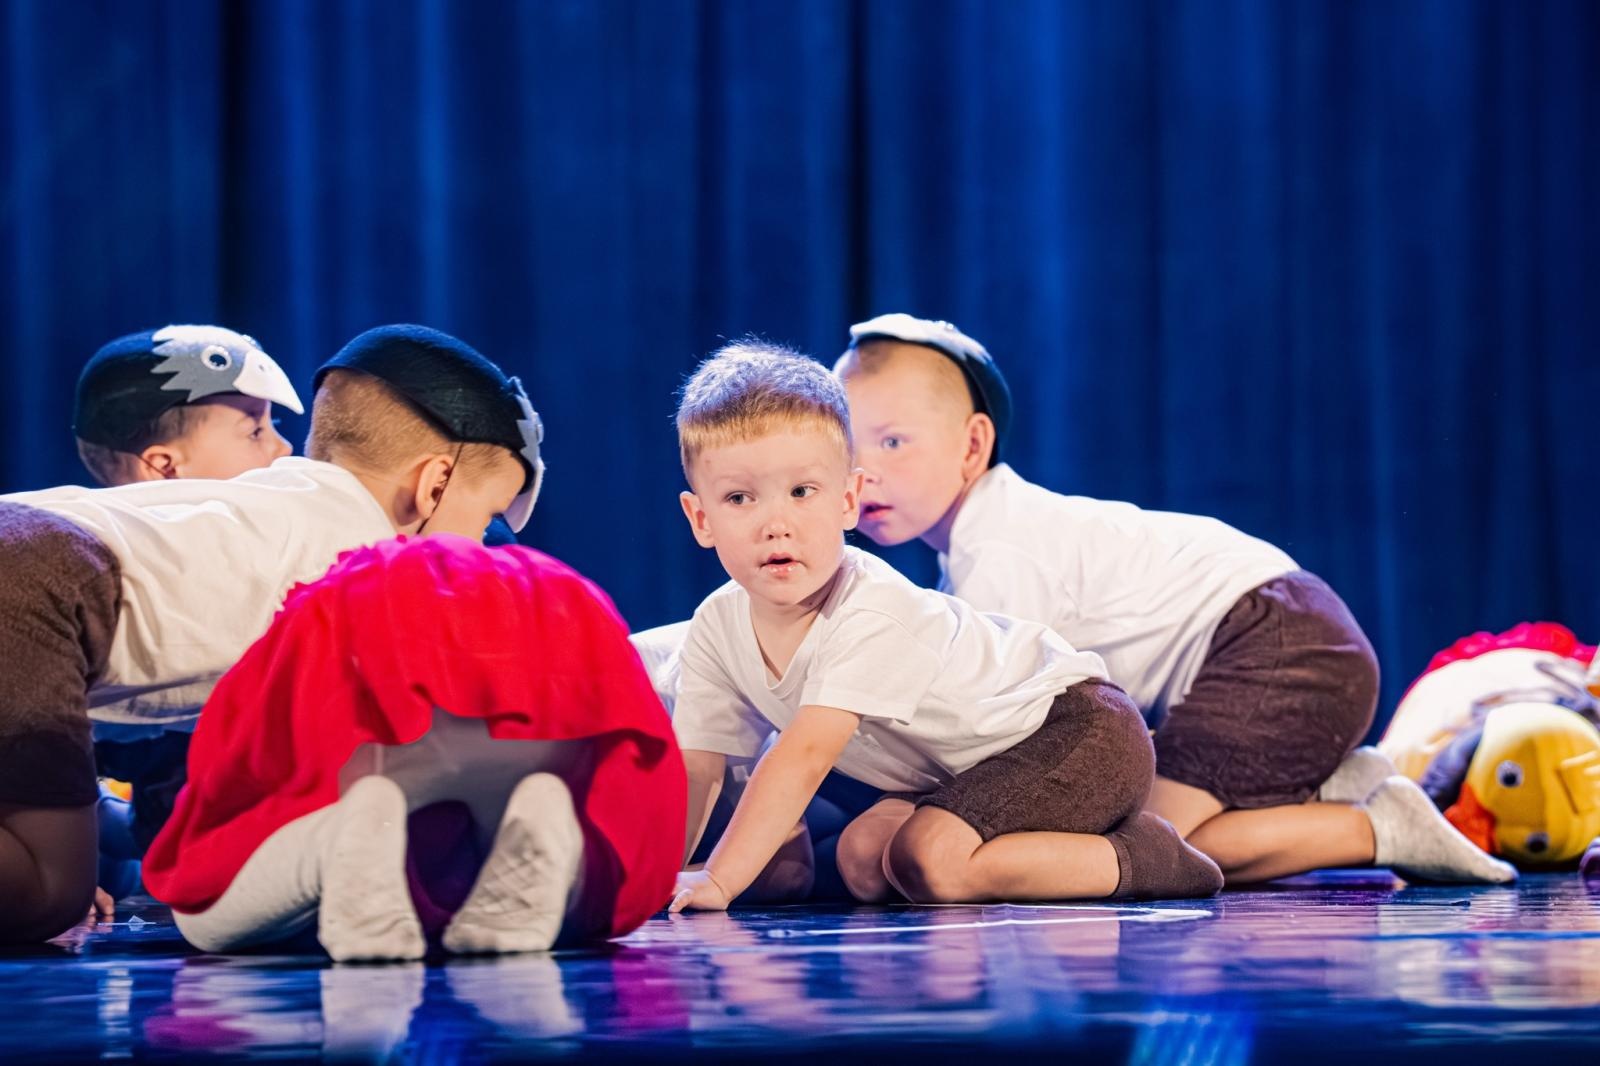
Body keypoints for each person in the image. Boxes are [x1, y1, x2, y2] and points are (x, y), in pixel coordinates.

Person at [834, 312, 1515, 886]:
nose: (867, 474)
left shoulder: (1003, 547)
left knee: (1143, 843)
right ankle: (1318, 786)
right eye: (847, 450)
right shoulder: (975, 554)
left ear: (972, 444)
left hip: (1279, 643)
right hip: (1284, 638)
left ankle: (1372, 827)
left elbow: (1001, 735)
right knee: (1120, 827)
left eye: (894, 442)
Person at [0, 323, 544, 944]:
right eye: (483, 519)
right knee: (49, 888)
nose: (481, 546)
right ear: (432, 485)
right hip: (35, 582)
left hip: (30, 555)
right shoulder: (370, 560)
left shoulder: (276, 500)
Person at [666, 340, 1222, 913]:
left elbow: (803, 756)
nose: (775, 525)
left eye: (803, 492)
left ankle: (1145, 855)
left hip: (1074, 731)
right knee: (862, 860)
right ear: (701, 518)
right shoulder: (716, 624)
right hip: (967, 773)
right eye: (740, 498)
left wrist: (721, 881)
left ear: (848, 500)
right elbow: (697, 766)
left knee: (935, 861)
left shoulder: (868, 608)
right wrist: (661, 874)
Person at [143, 535, 686, 961]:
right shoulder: (545, 577)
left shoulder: (337, 571)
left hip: (376, 628)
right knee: (565, 871)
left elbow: (242, 752)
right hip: (547, 621)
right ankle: (551, 820)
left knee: (205, 917)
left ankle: (336, 837)